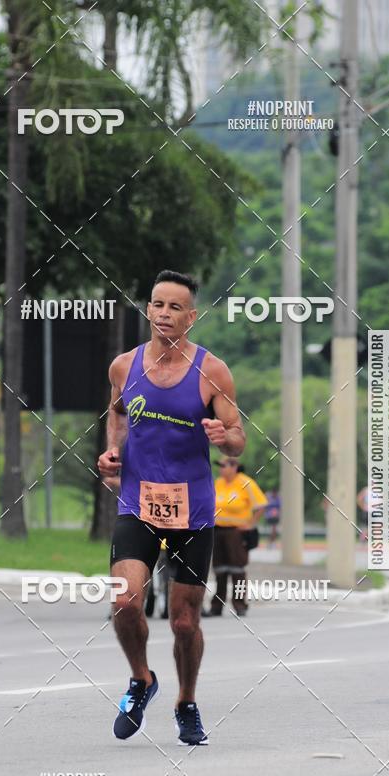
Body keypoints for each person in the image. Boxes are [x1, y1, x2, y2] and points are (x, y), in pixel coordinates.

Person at [97, 270, 245, 745]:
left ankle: (186, 701)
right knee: (124, 602)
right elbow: (117, 413)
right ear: (149, 309)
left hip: (192, 510)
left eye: (175, 307)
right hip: (137, 502)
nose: (164, 314)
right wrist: (112, 453)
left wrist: (227, 441)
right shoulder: (125, 366)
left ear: (191, 317)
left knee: (184, 621)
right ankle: (141, 679)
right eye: (158, 304)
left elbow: (237, 439)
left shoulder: (212, 372)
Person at [206, 458, 267, 617]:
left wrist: (251, 524)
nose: (221, 469)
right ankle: (216, 606)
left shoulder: (246, 483)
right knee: (219, 570)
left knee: (237, 570)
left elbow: (261, 505)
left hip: (236, 533)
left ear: (235, 467)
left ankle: (240, 604)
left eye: (224, 466)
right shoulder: (218, 483)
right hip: (217, 531)